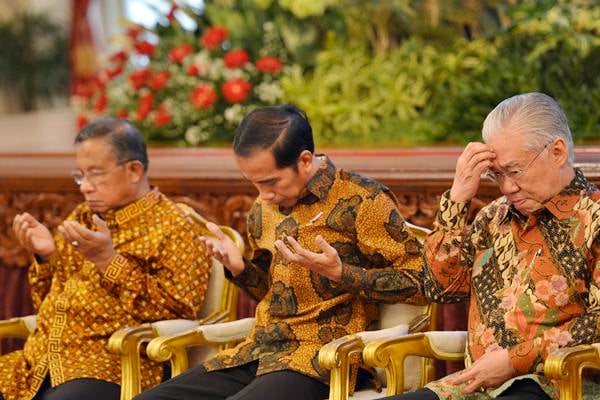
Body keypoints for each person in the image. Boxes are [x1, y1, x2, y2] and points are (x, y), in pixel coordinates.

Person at [135, 104, 426, 400]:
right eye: (254, 183)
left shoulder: (363, 200)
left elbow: (421, 284)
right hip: (259, 350)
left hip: (323, 359)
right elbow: (269, 293)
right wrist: (240, 270)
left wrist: (342, 274)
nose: (263, 195)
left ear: (304, 160)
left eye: (271, 182)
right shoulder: (263, 209)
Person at [377, 92, 600, 400]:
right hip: (472, 388)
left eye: (515, 171)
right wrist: (456, 201)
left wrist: (514, 360)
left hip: (558, 385)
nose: (507, 187)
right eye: (497, 175)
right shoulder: (492, 217)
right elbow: (439, 289)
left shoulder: (595, 219)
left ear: (558, 152)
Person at [0, 118, 211, 400]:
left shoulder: (175, 229)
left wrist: (107, 260)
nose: (85, 187)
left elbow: (178, 313)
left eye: (96, 174)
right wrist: (46, 255)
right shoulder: (82, 216)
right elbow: (49, 303)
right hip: (40, 360)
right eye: (80, 175)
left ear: (134, 170)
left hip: (110, 365)